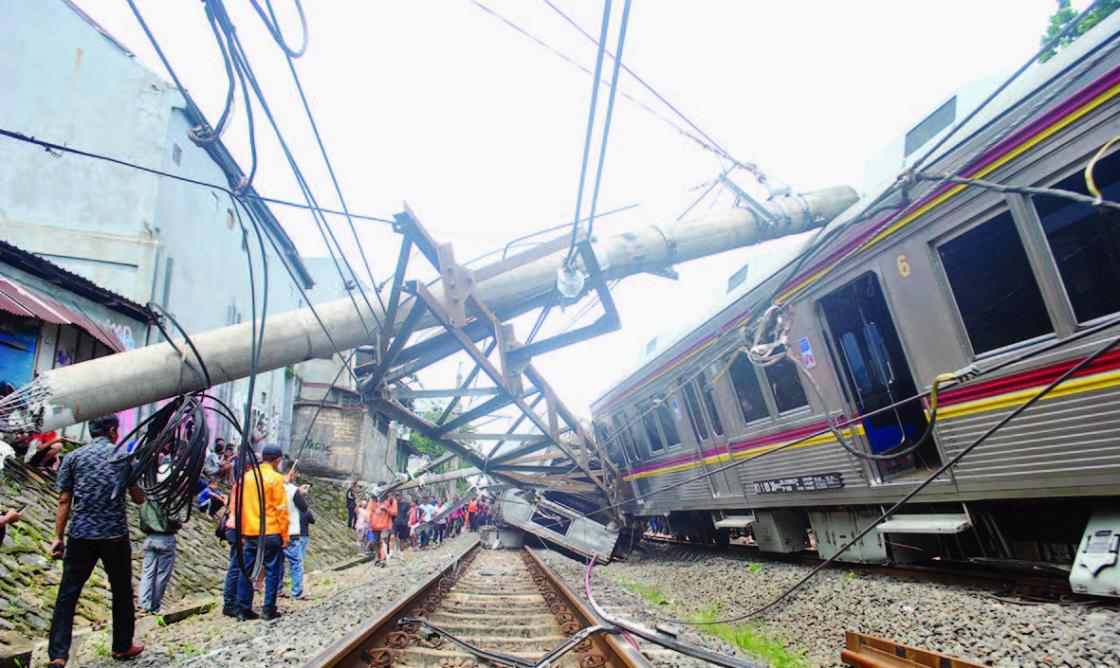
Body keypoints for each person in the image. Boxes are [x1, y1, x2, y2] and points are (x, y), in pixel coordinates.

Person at [47, 415, 145, 667]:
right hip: (114, 535)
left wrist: (58, 537)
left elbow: (64, 500)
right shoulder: (123, 456)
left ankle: (58, 655)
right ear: (112, 431)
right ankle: (122, 645)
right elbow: (138, 498)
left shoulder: (73, 457)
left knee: (68, 594)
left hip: (80, 535)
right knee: (121, 590)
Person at [235, 445, 289, 622]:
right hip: (271, 531)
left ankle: (243, 609)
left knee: (246, 570)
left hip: (250, 531)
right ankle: (268, 609)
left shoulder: (248, 477)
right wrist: (286, 536)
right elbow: (281, 509)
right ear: (277, 460)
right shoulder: (276, 479)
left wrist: (242, 532)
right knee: (273, 570)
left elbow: (240, 507)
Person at [137, 483, 182, 614]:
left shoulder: (148, 496)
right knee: (162, 574)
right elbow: (174, 518)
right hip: (165, 538)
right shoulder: (168, 496)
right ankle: (154, 606)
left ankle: (143, 604)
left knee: (147, 572)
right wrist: (178, 524)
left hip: (150, 538)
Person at [281, 464, 311, 600]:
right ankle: (297, 592)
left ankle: (276, 590)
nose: (297, 476)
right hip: (291, 531)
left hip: (274, 530)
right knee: (296, 563)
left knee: (277, 563)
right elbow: (304, 508)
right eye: (296, 473)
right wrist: (301, 493)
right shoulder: (293, 490)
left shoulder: (275, 486)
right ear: (291, 472)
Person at [368, 493, 392, 565]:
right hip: (374, 527)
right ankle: (378, 557)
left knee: (382, 542)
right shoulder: (371, 507)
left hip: (384, 527)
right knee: (376, 543)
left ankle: (383, 558)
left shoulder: (384, 505)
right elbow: (369, 515)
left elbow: (390, 512)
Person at [392, 492, 411, 556]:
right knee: (392, 536)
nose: (396, 497)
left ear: (401, 496)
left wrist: (408, 522)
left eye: (397, 495)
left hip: (403, 523)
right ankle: (391, 553)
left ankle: (401, 553)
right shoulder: (394, 504)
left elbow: (409, 513)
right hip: (395, 522)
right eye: (395, 496)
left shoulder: (406, 504)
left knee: (402, 539)